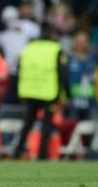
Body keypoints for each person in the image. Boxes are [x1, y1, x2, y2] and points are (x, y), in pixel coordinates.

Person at [14, 24, 69, 159]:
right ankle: (42, 154)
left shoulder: (28, 48)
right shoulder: (56, 49)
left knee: (27, 123)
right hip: (48, 93)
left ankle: (17, 152)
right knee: (46, 125)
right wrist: (67, 93)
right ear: (52, 36)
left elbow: (19, 68)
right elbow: (63, 74)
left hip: (29, 91)